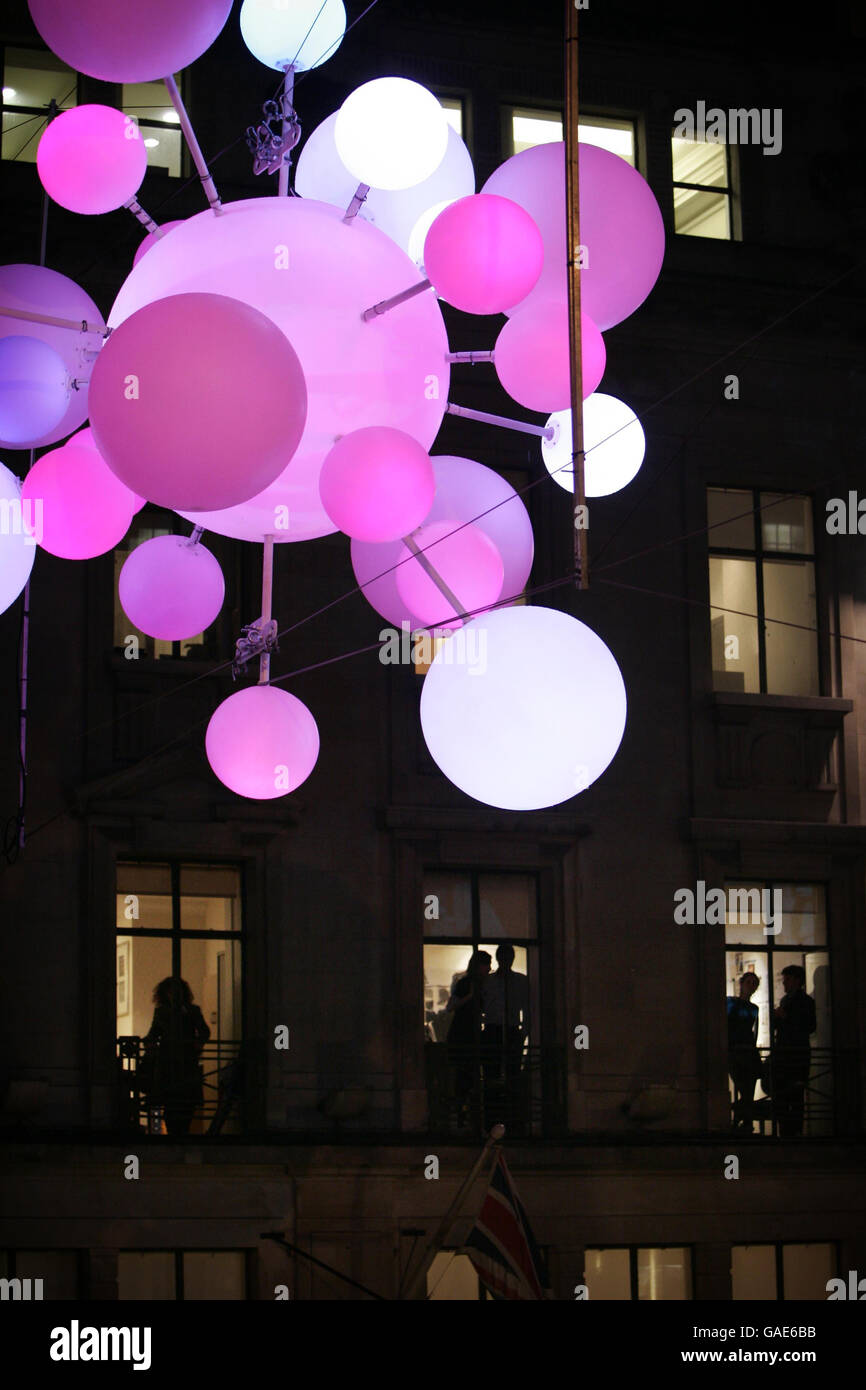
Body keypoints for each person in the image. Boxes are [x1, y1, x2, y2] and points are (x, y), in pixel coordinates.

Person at [142, 977, 210, 1136]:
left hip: (178, 1060)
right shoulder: (166, 1012)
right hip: (176, 1060)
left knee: (179, 1099)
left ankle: (172, 1133)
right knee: (174, 1099)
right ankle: (174, 1133)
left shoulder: (188, 1011)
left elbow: (204, 1032)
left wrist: (198, 1043)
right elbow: (153, 1033)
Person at [484, 944, 529, 1117]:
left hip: (509, 1029)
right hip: (495, 1029)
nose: (505, 962)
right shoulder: (490, 981)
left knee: (511, 1073)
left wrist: (522, 1032)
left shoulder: (519, 981)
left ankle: (508, 1113)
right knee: (494, 1072)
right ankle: (496, 1112)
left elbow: (526, 1008)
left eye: (507, 958)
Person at [772, 964, 816, 1137]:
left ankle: (794, 1131)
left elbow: (809, 1026)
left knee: (795, 1095)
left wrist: (786, 1018)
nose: (784, 983)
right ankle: (786, 1130)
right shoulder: (786, 1001)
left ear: (797, 981)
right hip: (786, 1055)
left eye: (787, 980)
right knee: (784, 1094)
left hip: (796, 1055)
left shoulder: (805, 1002)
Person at [446, 951, 491, 1122]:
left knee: (467, 1075)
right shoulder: (466, 984)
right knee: (464, 1075)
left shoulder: (479, 984)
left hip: (468, 1033)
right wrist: (470, 997)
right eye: (486, 965)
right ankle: (462, 1112)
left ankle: (464, 1112)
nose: (489, 968)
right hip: (464, 1034)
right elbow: (451, 1007)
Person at [726, 972, 761, 1131]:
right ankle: (743, 1119)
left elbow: (753, 1031)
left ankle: (743, 1120)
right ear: (741, 983)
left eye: (754, 983)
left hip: (747, 1050)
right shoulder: (731, 1003)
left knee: (748, 1089)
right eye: (749, 982)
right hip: (736, 1050)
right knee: (744, 1088)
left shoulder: (753, 1008)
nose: (751, 986)